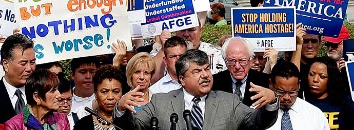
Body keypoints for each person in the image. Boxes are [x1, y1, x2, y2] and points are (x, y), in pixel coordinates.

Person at [131, 49, 279, 130]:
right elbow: (133, 125)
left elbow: (259, 122)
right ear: (182, 79)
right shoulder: (160, 102)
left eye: (207, 69)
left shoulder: (229, 102)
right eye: (197, 71)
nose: (205, 75)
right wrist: (121, 109)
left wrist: (271, 102)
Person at [0, 33, 38, 124]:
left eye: (32, 62)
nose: (29, 68)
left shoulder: (41, 92)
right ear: (6, 64)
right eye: (23, 63)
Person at [266, 60, 325, 130]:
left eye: (292, 92)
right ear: (271, 84)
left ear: (299, 85)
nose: (286, 97)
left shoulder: (315, 114)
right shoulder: (257, 114)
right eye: (281, 92)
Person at [4, 69, 71, 130]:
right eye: (53, 91)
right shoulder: (14, 126)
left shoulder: (61, 120)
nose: (59, 95)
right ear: (37, 97)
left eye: (57, 90)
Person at [213, 37, 270, 107]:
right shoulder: (214, 82)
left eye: (242, 61)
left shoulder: (264, 81)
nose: (237, 66)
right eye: (232, 61)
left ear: (251, 60)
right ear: (225, 61)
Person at [302, 56, 354, 129]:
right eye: (311, 74)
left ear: (331, 78)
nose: (315, 80)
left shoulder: (344, 102)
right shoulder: (302, 100)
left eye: (322, 76)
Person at [73, 66, 132, 130]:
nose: (110, 97)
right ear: (95, 94)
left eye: (115, 92)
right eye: (104, 92)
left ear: (122, 93)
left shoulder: (131, 121)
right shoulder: (82, 125)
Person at [69, 56, 100, 123]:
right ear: (72, 75)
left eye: (92, 72)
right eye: (83, 72)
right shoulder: (63, 101)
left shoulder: (108, 98)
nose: (88, 76)